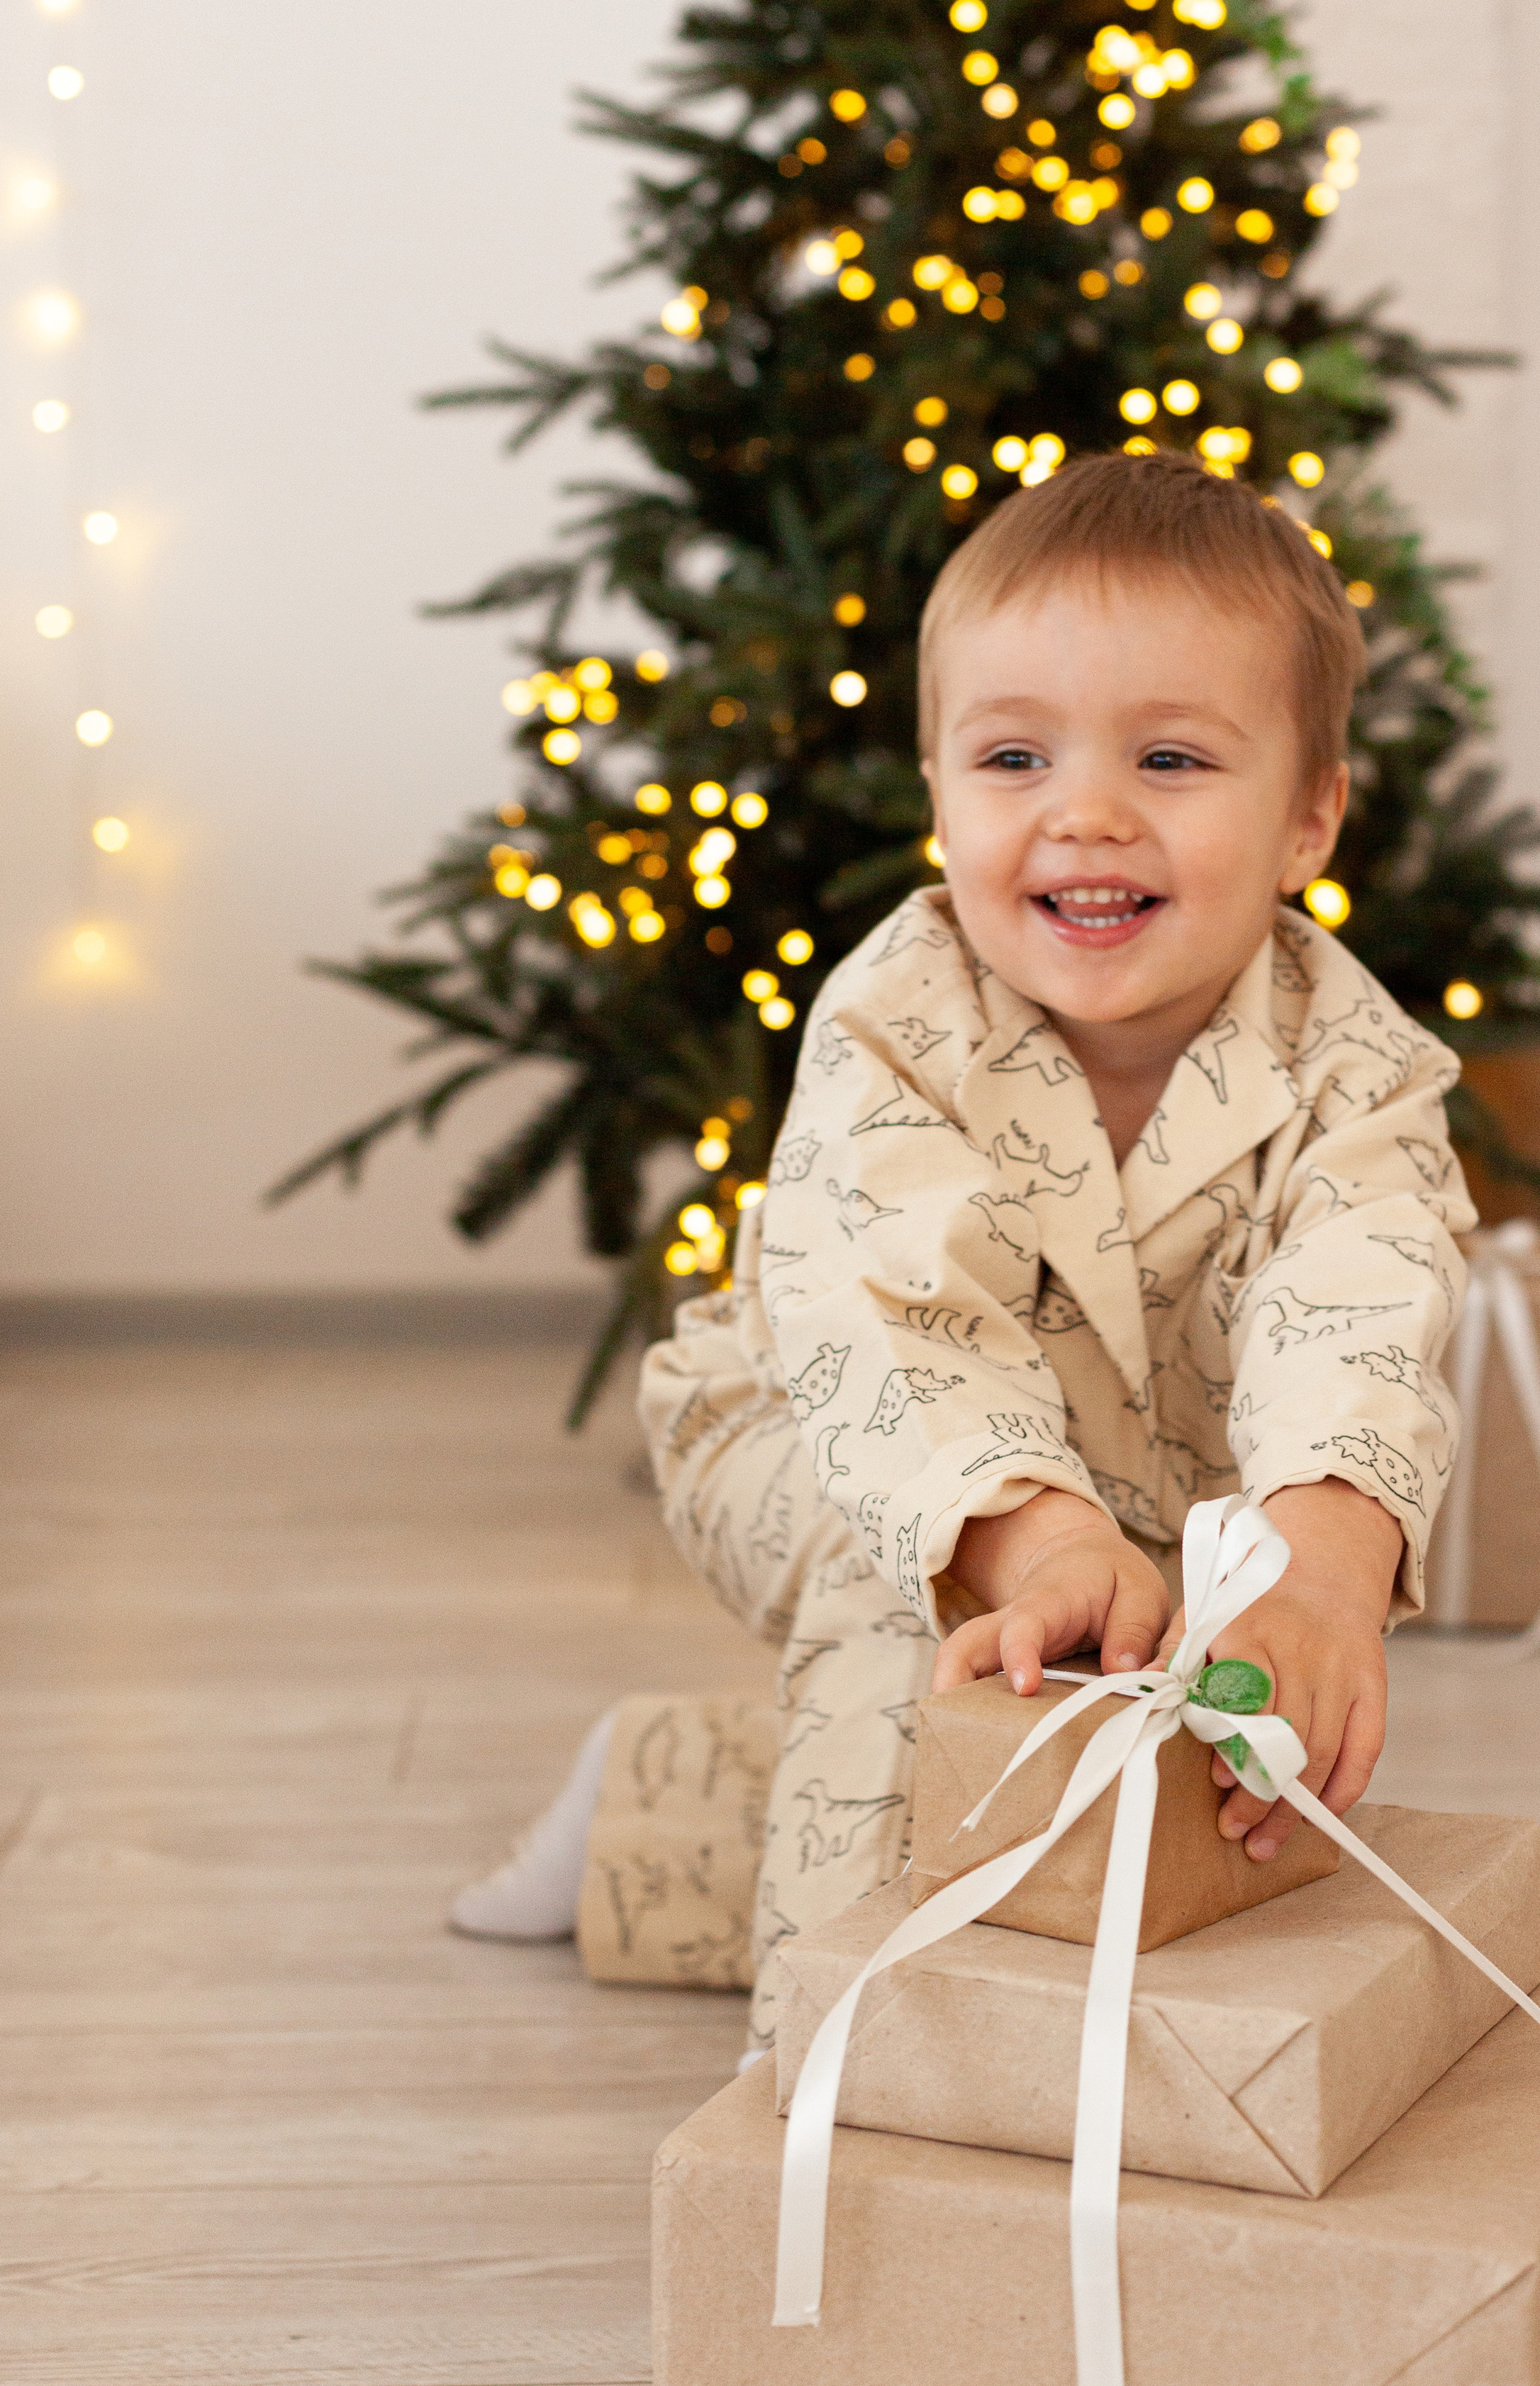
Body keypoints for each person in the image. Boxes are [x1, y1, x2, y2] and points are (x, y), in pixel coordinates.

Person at [452, 451, 1474, 2049]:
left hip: (1157, 1473)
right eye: (1012, 755)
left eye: (1169, 758)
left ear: (1305, 818)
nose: (1083, 812)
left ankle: (664, 1803)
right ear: (936, 793)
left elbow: (1362, 1299)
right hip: (817, 1425)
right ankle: (843, 2088)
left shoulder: (1359, 1070)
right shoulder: (894, 1022)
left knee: (1180, 1712)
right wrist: (1030, 1541)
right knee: (911, 1621)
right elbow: (896, 1334)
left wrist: (1320, 1568)